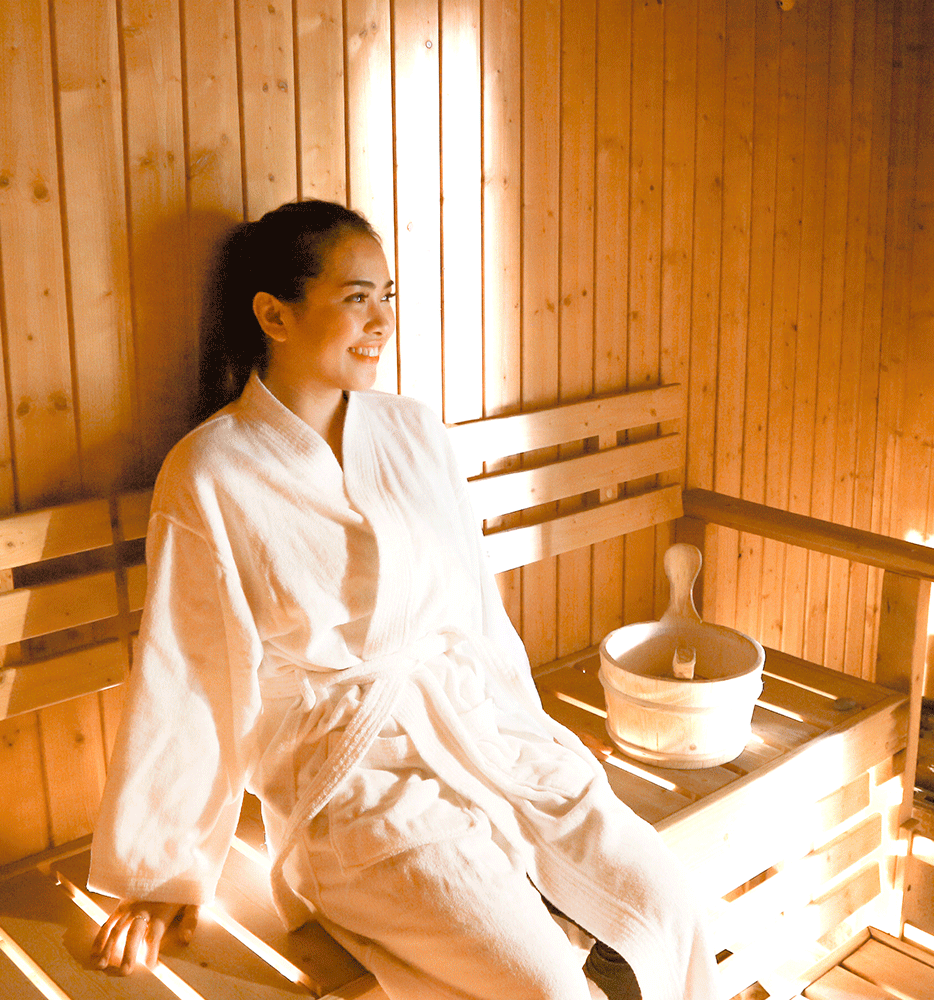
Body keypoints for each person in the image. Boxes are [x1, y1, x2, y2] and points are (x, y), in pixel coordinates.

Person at [87, 199, 719, 1000]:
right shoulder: (212, 471)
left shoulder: (413, 431)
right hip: (350, 778)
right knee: (548, 988)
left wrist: (529, 734)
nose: (381, 320)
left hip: (475, 730)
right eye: (357, 297)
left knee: (666, 906)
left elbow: (477, 616)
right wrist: (164, 871)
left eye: (388, 296)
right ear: (273, 315)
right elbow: (188, 671)